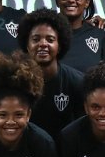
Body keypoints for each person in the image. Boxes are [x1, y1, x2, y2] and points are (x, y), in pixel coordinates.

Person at [17, 8, 85, 140]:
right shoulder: (16, 82)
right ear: (27, 45)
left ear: (59, 45)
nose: (43, 44)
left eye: (50, 39)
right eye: (36, 39)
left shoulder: (77, 82)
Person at [55, 0, 105, 73]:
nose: (71, 0)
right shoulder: (47, 36)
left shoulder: (99, 36)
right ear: (57, 1)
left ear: (87, 2)